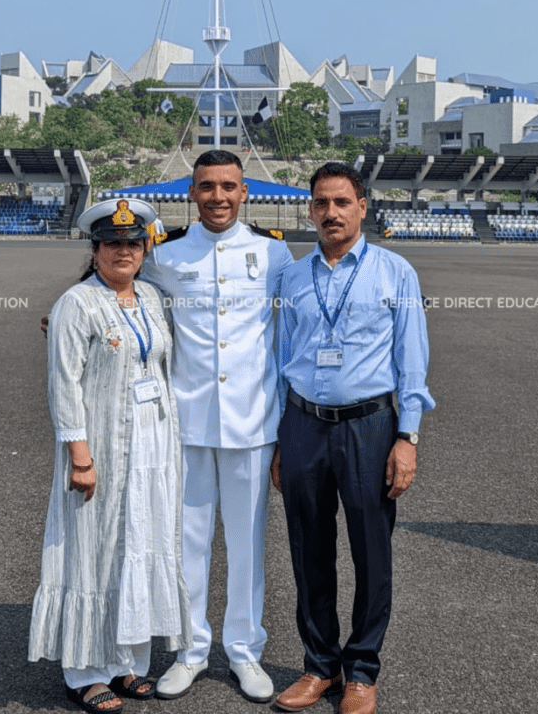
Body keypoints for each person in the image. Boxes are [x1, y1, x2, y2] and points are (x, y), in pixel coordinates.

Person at [272, 162, 435, 714]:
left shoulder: (396, 273)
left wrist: (407, 437)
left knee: (371, 552)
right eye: (321, 203)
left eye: (342, 202)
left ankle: (362, 670)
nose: (331, 212)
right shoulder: (293, 278)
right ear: (310, 210)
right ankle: (320, 666)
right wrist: (278, 439)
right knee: (308, 550)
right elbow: (279, 360)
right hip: (302, 424)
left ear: (363, 207)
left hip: (370, 426)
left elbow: (412, 361)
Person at [142, 150, 294, 704]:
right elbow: (121, 291)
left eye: (229, 186)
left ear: (245, 190)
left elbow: (289, 334)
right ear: (192, 192)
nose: (218, 197)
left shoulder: (273, 254)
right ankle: (190, 650)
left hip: (253, 421)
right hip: (186, 420)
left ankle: (245, 651)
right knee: (189, 543)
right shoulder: (168, 255)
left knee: (248, 543)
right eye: (207, 187)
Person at [28, 198, 191, 714]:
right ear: (95, 250)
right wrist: (80, 455)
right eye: (112, 243)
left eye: (132, 243)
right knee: (93, 550)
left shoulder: (150, 296)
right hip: (99, 446)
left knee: (138, 544)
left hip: (151, 447)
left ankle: (127, 661)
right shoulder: (77, 303)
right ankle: (85, 672)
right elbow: (64, 385)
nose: (123, 251)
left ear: (145, 249)